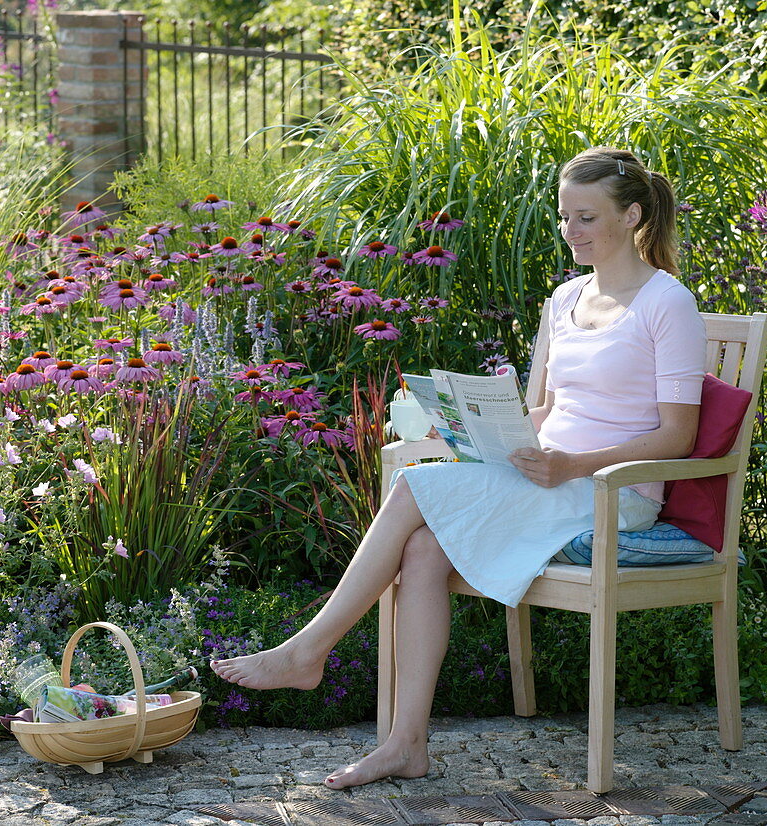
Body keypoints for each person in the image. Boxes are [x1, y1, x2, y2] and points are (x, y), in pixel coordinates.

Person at [210, 147, 708, 789]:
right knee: (420, 551)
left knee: (416, 483)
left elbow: (680, 434)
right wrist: (481, 430)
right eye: (564, 217)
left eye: (586, 217)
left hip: (615, 491)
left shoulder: (667, 302)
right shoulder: (563, 300)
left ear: (632, 215)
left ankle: (310, 650)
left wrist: (570, 465)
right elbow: (544, 408)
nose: (571, 231)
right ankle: (405, 746)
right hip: (547, 477)